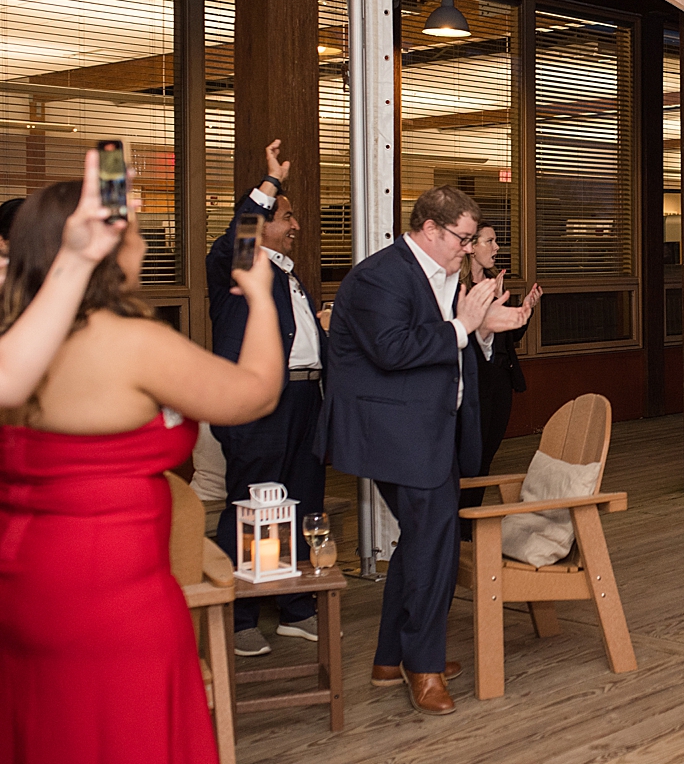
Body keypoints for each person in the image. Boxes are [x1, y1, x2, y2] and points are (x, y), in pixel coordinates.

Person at [0, 162, 283, 763]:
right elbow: (254, 392)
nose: (146, 242)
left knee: (54, 729)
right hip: (108, 594)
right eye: (131, 232)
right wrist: (260, 298)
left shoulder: (15, 336)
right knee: (128, 732)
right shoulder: (126, 340)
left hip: (25, 580)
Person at [314, 186, 532, 716]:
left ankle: (391, 658)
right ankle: (424, 667)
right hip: (395, 433)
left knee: (421, 540)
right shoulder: (378, 277)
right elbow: (393, 350)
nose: (468, 248)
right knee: (434, 545)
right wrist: (463, 326)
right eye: (462, 238)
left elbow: (445, 344)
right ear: (430, 229)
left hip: (428, 427)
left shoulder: (442, 272)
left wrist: (481, 329)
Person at [206, 139, 327, 656]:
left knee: (304, 501)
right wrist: (269, 184)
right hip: (257, 403)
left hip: (305, 400)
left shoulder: (290, 274)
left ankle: (297, 609)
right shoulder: (237, 268)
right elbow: (240, 232)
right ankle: (239, 616)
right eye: (288, 217)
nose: (296, 225)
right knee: (251, 505)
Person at [458, 224, 542, 527]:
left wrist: (525, 310)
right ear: (471, 246)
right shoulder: (457, 290)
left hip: (500, 381)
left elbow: (508, 336)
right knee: (468, 456)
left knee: (486, 455)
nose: (496, 248)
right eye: (490, 241)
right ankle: (460, 526)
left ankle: (469, 526)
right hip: (472, 382)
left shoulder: (496, 283)